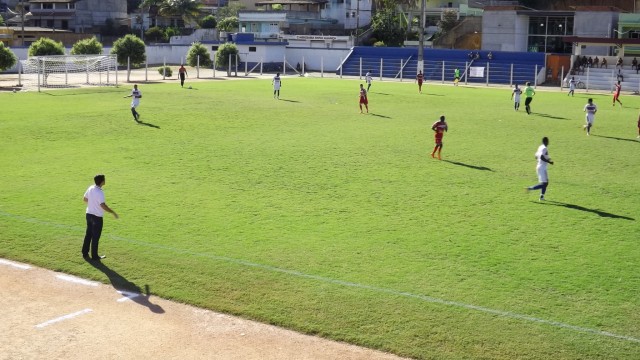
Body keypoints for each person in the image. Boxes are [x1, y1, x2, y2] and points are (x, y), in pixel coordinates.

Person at [82, 174, 118, 261]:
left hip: (89, 214)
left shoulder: (90, 188)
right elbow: (102, 205)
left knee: (88, 234)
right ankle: (95, 256)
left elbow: (85, 199)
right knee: (95, 237)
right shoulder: (100, 192)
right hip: (97, 217)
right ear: (101, 181)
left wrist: (92, 204)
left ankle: (84, 252)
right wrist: (112, 212)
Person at [526, 137, 554, 201]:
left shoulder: (540, 147)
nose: (548, 143)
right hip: (542, 168)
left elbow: (536, 156)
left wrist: (546, 159)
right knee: (544, 184)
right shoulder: (544, 148)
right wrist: (549, 162)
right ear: (546, 141)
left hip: (540, 167)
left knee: (546, 183)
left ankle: (542, 196)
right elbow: (541, 157)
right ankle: (529, 188)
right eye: (548, 141)